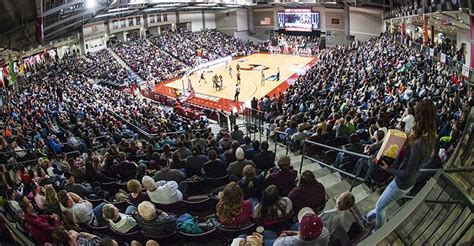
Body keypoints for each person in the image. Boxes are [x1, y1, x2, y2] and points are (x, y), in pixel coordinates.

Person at [365, 99, 437, 231]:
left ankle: (378, 230)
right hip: (408, 181)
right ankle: (369, 217)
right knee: (383, 203)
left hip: (402, 183)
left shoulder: (418, 145)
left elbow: (407, 172)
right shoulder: (431, 137)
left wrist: (389, 169)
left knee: (381, 206)